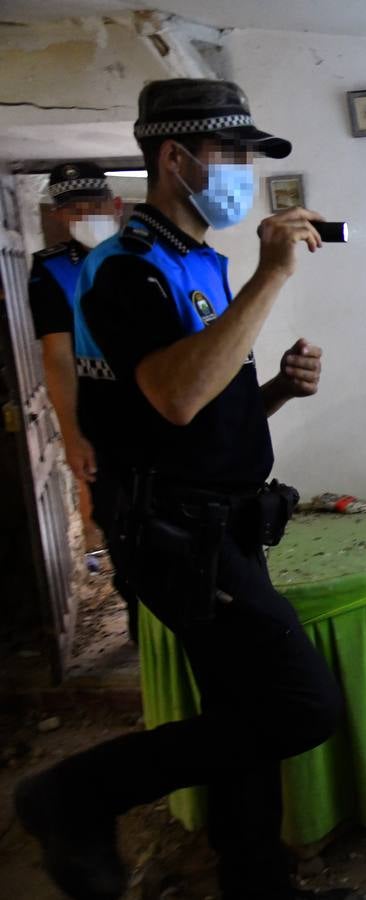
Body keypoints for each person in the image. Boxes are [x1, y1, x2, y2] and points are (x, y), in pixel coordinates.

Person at [13, 79, 351, 900]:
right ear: (176, 157)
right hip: (173, 532)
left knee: (243, 717)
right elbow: (173, 397)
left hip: (221, 523)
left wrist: (274, 390)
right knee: (303, 707)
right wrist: (271, 278)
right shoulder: (124, 268)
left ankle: (256, 881)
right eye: (231, 156)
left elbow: (187, 407)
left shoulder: (196, 259)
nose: (241, 174)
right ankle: (70, 794)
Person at [28, 163, 137, 636]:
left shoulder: (150, 249)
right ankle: (138, 619)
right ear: (59, 215)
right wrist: (72, 438)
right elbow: (56, 357)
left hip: (168, 411)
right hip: (105, 420)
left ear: (114, 205)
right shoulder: (51, 269)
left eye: (91, 204)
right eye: (71, 208)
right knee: (119, 523)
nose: (83, 214)